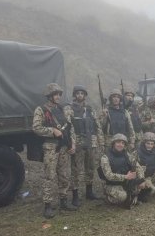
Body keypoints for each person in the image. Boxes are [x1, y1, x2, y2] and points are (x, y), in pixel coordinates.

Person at [32, 83, 77, 218]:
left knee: (64, 175)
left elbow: (70, 127)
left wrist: (73, 144)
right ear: (50, 96)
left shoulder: (63, 109)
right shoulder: (41, 110)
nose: (58, 97)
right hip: (51, 148)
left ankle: (64, 201)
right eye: (55, 94)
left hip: (64, 147)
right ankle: (48, 206)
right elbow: (36, 128)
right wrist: (52, 131)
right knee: (49, 176)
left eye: (59, 94)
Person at [65, 85, 104, 205]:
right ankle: (75, 195)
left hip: (90, 142)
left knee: (90, 167)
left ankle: (89, 191)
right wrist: (71, 144)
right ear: (74, 95)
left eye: (82, 93)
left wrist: (101, 142)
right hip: (77, 142)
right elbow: (68, 127)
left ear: (85, 95)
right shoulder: (69, 109)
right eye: (77, 93)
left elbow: (97, 126)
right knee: (75, 169)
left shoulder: (90, 109)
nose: (80, 95)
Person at [98, 133, 149, 208]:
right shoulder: (105, 158)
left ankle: (131, 198)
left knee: (141, 186)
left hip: (125, 182)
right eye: (118, 142)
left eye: (123, 143)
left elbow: (138, 167)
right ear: (113, 143)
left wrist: (141, 180)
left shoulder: (127, 155)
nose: (120, 145)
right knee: (122, 197)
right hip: (111, 184)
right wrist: (126, 177)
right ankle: (108, 198)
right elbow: (109, 176)